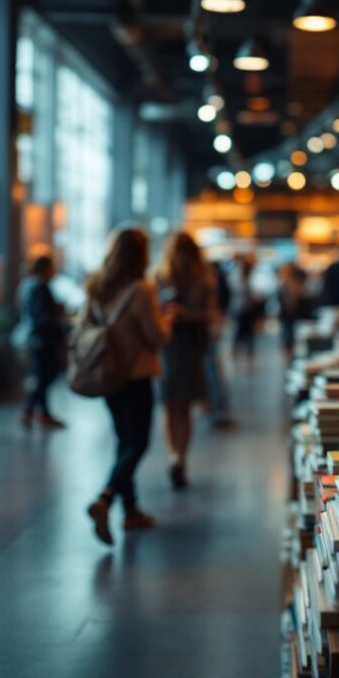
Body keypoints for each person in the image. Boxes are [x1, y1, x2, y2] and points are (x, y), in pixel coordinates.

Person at [83, 228, 172, 546]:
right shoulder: (141, 290)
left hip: (107, 374)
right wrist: (168, 320)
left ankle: (131, 511)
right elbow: (157, 337)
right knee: (138, 444)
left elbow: (85, 327)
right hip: (135, 375)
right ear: (141, 255)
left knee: (124, 441)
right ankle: (105, 499)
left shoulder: (97, 286)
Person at [155, 232, 217, 489]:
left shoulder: (164, 277)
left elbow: (211, 315)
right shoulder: (199, 279)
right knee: (179, 407)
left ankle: (176, 456)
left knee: (174, 407)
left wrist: (183, 314)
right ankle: (178, 457)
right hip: (180, 347)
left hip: (178, 347)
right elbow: (212, 316)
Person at [17, 255, 67, 429]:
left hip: (34, 337)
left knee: (42, 376)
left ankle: (42, 413)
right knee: (46, 375)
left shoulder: (27, 284)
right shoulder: (39, 286)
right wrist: (58, 315)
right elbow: (43, 316)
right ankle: (29, 410)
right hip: (43, 339)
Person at [204, 261, 232, 428]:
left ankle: (217, 408)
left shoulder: (209, 281)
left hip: (206, 333)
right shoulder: (209, 280)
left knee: (212, 370)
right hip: (205, 333)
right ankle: (216, 408)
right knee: (212, 370)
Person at [277, 262, 312, 356]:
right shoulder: (284, 285)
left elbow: (295, 303)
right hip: (288, 317)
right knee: (288, 340)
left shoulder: (295, 285)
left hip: (294, 317)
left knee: (294, 340)